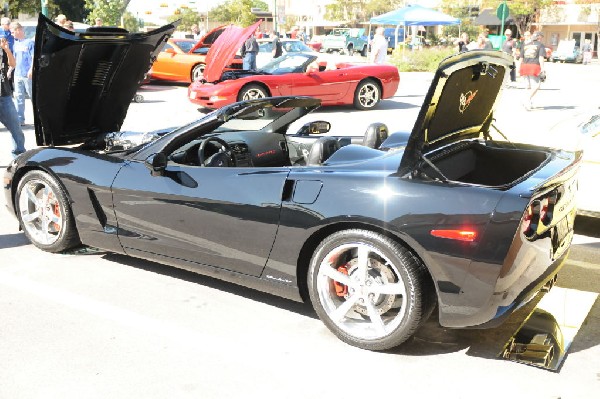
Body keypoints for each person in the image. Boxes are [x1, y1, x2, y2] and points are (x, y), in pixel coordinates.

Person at [0, 37, 26, 157]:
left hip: (4, 96)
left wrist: (7, 50)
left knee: (16, 129)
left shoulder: (2, 51)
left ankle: (19, 155)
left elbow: (13, 64)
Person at [9, 22, 34, 126]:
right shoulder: (16, 44)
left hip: (27, 74)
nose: (12, 34)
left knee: (32, 96)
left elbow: (33, 57)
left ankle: (39, 118)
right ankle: (20, 119)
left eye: (13, 32)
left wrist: (31, 69)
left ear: (18, 30)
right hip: (18, 74)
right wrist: (10, 70)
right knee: (19, 98)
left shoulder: (29, 43)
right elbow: (14, 59)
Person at [519, 31, 545, 110]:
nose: (542, 39)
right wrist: (543, 68)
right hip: (534, 66)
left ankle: (529, 102)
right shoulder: (540, 45)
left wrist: (518, 68)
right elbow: (541, 57)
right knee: (537, 85)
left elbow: (521, 57)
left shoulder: (526, 45)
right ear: (539, 37)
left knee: (528, 86)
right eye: (541, 37)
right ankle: (527, 100)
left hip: (524, 66)